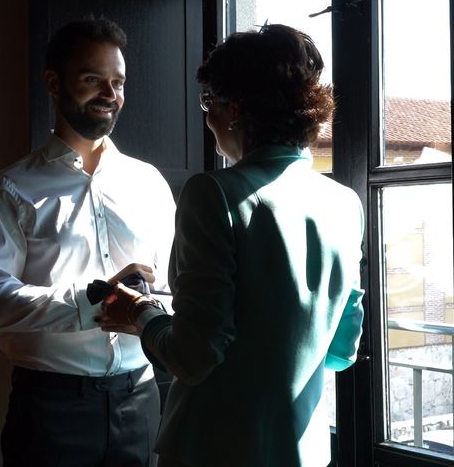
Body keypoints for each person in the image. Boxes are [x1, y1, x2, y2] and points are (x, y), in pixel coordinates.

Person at [97, 24, 365, 467]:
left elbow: (194, 357)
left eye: (209, 103)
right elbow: (341, 352)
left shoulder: (214, 192)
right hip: (306, 450)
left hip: (216, 448)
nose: (208, 118)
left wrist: (142, 314)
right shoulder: (344, 202)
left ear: (234, 110)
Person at [0, 16, 175, 467]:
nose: (109, 94)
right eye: (92, 79)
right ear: (53, 82)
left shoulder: (151, 184)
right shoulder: (13, 187)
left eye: (117, 82)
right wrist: (92, 301)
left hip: (141, 399)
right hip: (49, 409)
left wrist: (154, 308)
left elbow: (173, 288)